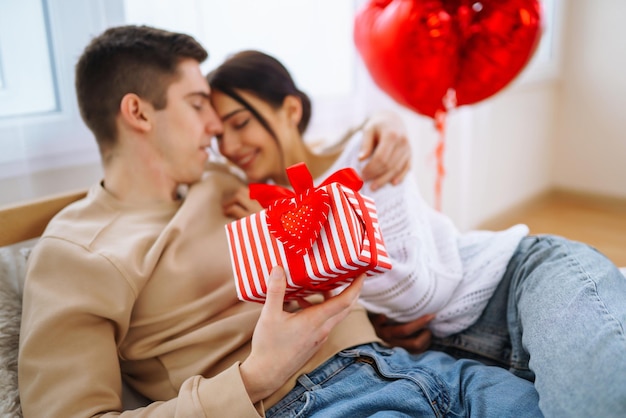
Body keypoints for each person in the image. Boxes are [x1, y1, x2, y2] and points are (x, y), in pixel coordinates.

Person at [17, 25, 542, 417]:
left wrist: (385, 122)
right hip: (310, 403)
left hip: (408, 366)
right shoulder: (76, 250)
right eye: (199, 103)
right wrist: (252, 377)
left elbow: (319, 158)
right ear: (138, 112)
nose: (215, 125)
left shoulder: (226, 182)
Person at [206, 49, 626, 417]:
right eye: (218, 135)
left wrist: (386, 120)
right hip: (456, 353)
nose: (228, 146)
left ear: (291, 111)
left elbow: (419, 289)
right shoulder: (260, 218)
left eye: (239, 123)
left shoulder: (366, 156)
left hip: (517, 279)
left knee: (600, 400)